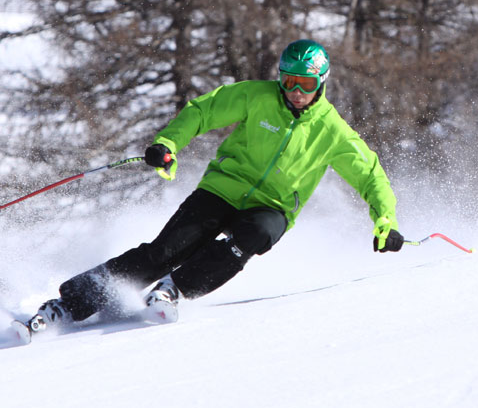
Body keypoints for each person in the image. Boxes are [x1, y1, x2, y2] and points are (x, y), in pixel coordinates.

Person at [27, 39, 404, 332]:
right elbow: (202, 111)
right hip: (222, 189)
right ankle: (68, 303)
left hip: (271, 206)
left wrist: (384, 219)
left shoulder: (332, 131)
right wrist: (167, 144)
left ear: (321, 82)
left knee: (253, 235)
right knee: (162, 253)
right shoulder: (256, 97)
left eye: (305, 83)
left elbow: (370, 174)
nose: (295, 91)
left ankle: (175, 289)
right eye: (288, 80)